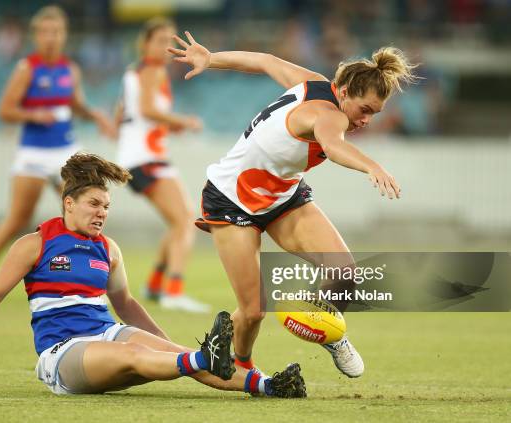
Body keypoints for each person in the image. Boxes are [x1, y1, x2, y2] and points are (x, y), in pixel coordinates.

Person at [0, 152, 306, 398]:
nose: (102, 213)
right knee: (139, 352)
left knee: (171, 354)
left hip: (108, 332)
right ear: (68, 203)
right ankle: (201, 358)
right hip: (63, 353)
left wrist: (168, 345)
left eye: (106, 206)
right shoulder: (35, 244)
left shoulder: (108, 249)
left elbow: (127, 304)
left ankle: (269, 386)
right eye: (94, 204)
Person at [169, 32, 417, 377]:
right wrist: (371, 165)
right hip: (231, 201)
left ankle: (332, 333)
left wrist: (212, 59)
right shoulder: (330, 115)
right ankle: (243, 365)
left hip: (282, 196)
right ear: (344, 92)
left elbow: (265, 62)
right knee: (253, 312)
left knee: (343, 271)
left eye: (374, 113)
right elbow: (332, 146)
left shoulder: (314, 82)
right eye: (364, 110)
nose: (366, 121)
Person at [0, 5, 115, 302]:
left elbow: (75, 104)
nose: (51, 38)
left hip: (66, 153)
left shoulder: (69, 68)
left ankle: (90, 277)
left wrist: (95, 115)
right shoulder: (27, 68)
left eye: (56, 32)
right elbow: (4, 110)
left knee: (86, 209)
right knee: (18, 218)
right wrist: (35, 115)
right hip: (33, 153)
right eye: (45, 32)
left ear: (64, 35)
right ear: (36, 36)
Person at [114, 18, 209, 313]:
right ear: (144, 43)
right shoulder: (153, 71)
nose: (165, 47)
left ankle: (155, 285)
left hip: (138, 156)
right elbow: (147, 110)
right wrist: (185, 122)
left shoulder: (134, 72)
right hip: (147, 158)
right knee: (185, 220)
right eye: (159, 40)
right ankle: (174, 289)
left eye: (169, 40)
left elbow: (124, 115)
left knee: (177, 221)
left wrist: (168, 127)